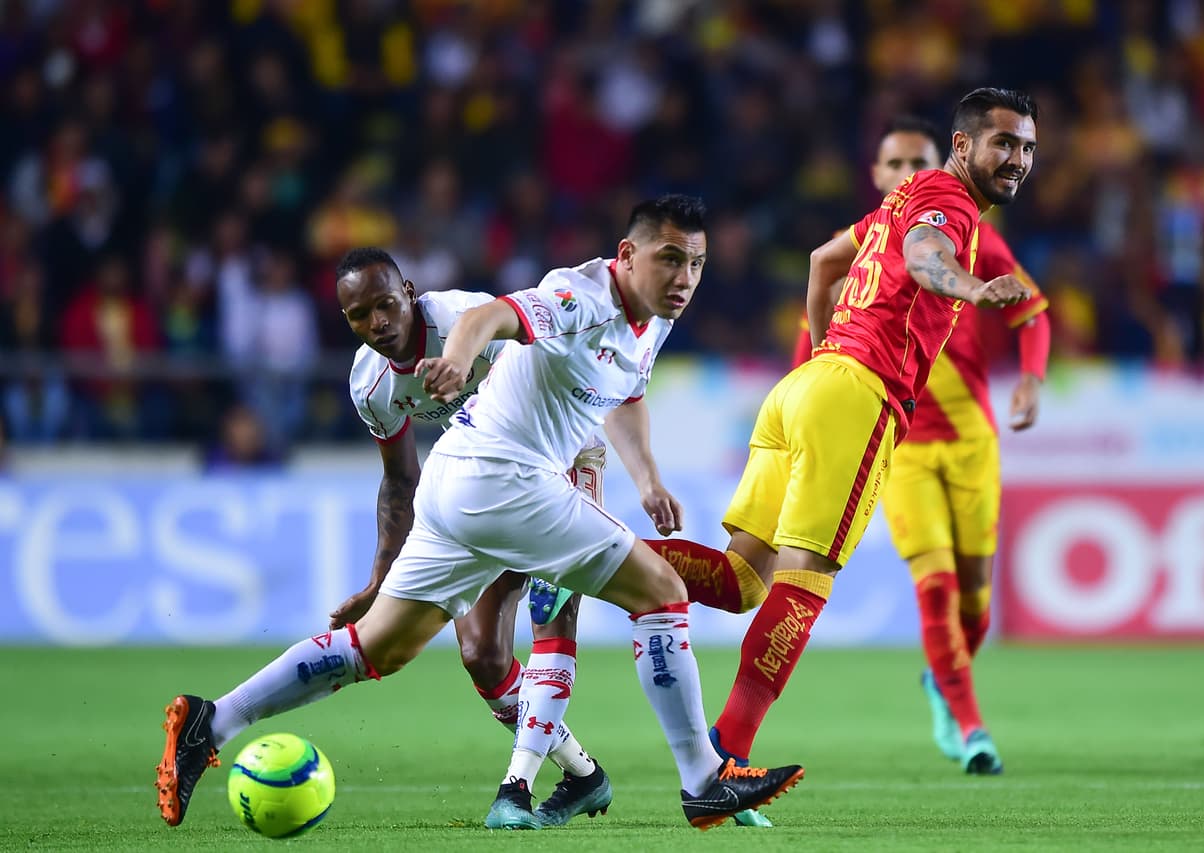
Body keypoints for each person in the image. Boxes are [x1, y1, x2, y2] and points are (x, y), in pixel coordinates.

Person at [155, 195, 803, 832]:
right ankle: (703, 778)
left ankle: (215, 719)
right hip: (507, 480)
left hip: (459, 486)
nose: (685, 279)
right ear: (627, 255)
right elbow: (491, 315)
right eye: (670, 260)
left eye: (696, 263)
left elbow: (627, 393)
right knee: (661, 592)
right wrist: (459, 358)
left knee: (377, 646)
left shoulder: (655, 315)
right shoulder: (584, 295)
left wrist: (648, 476)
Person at [641, 89, 1039, 777]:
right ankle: (726, 758)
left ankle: (584, 557)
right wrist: (970, 291)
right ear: (966, 145)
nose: (1019, 159)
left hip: (805, 386)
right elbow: (924, 257)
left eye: (1029, 146)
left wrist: (830, 353)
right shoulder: (950, 201)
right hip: (857, 393)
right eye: (1005, 143)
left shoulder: (904, 194)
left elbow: (824, 260)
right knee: (805, 582)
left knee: (740, 580)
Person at [159, 246, 611, 830]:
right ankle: (583, 776)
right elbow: (400, 483)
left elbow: (567, 379)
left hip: (552, 467)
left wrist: (582, 493)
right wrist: (380, 576)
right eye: (358, 315)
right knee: (469, 655)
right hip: (471, 489)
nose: (377, 323)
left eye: (386, 304)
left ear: (411, 292)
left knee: (545, 617)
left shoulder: (466, 319)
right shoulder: (371, 384)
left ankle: (528, 788)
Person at [793, 116, 1051, 771]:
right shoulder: (864, 246)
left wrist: (1031, 379)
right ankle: (971, 728)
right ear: (876, 177)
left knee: (976, 605)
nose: (908, 173)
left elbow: (1032, 309)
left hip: (972, 444)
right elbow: (809, 358)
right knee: (933, 588)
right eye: (894, 164)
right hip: (902, 449)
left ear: (946, 164)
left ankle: (943, 677)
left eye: (920, 161)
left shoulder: (973, 235)